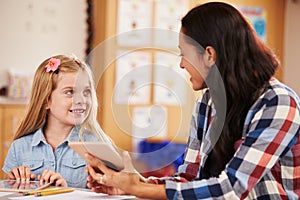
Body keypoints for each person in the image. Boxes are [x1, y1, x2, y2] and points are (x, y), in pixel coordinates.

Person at [84, 2, 300, 199]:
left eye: (183, 54)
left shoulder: (277, 102)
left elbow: (231, 189)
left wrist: (137, 188)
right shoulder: (206, 103)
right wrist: (131, 185)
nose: (181, 65)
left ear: (209, 55)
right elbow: (190, 179)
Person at [2, 54, 112, 188]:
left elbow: (108, 193)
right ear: (46, 100)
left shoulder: (98, 147)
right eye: (70, 92)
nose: (81, 100)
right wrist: (14, 182)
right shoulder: (18, 148)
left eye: (86, 91)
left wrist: (65, 192)